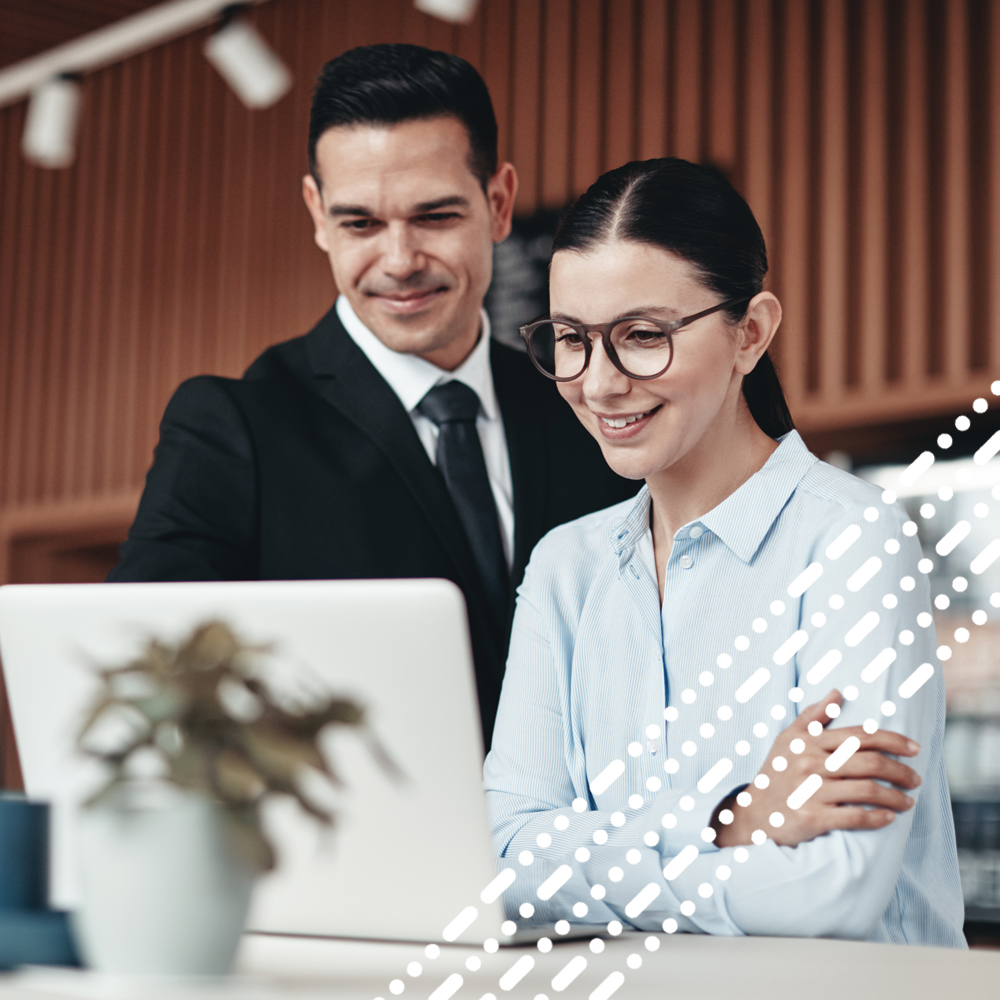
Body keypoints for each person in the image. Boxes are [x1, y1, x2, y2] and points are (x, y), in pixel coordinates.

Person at [484, 158, 965, 945]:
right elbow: (502, 860)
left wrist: (580, 860)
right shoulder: (566, 568)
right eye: (571, 340)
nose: (599, 383)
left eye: (642, 336)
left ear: (751, 332)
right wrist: (731, 820)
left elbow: (831, 893)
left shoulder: (853, 540)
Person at [107, 44, 634, 748]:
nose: (399, 261)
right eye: (360, 223)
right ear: (318, 215)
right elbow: (143, 677)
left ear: (499, 203)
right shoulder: (234, 428)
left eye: (435, 216)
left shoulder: (586, 410)